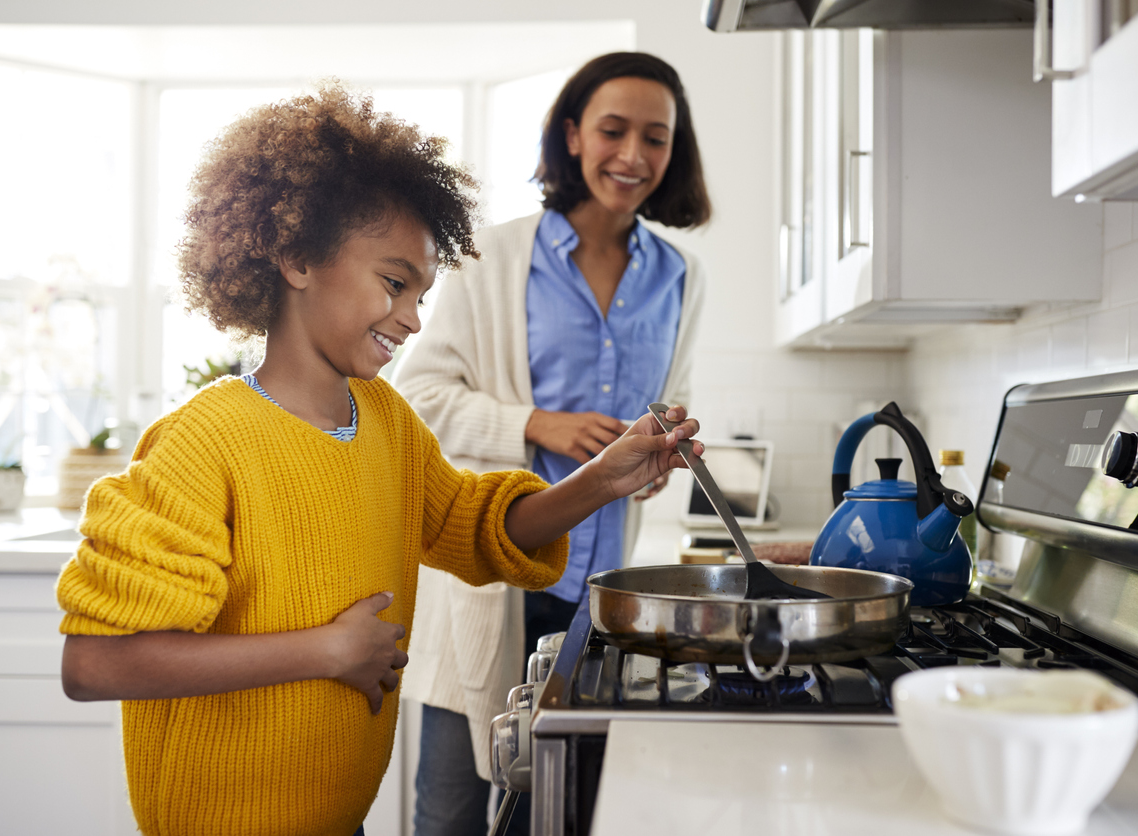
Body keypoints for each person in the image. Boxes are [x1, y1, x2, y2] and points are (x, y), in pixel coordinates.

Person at [52, 82, 702, 836]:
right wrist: (325, 650)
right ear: (297, 258)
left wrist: (602, 479)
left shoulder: (386, 421)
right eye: (394, 283)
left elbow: (473, 527)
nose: (413, 318)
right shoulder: (206, 442)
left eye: (420, 292)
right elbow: (96, 663)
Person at [394, 52, 711, 836]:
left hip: (601, 605)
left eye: (656, 138)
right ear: (573, 135)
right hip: (486, 588)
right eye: (613, 130)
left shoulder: (682, 278)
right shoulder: (488, 259)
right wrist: (534, 425)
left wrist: (656, 458)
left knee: (571, 815)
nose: (633, 156)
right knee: (454, 817)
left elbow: (669, 404)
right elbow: (416, 397)